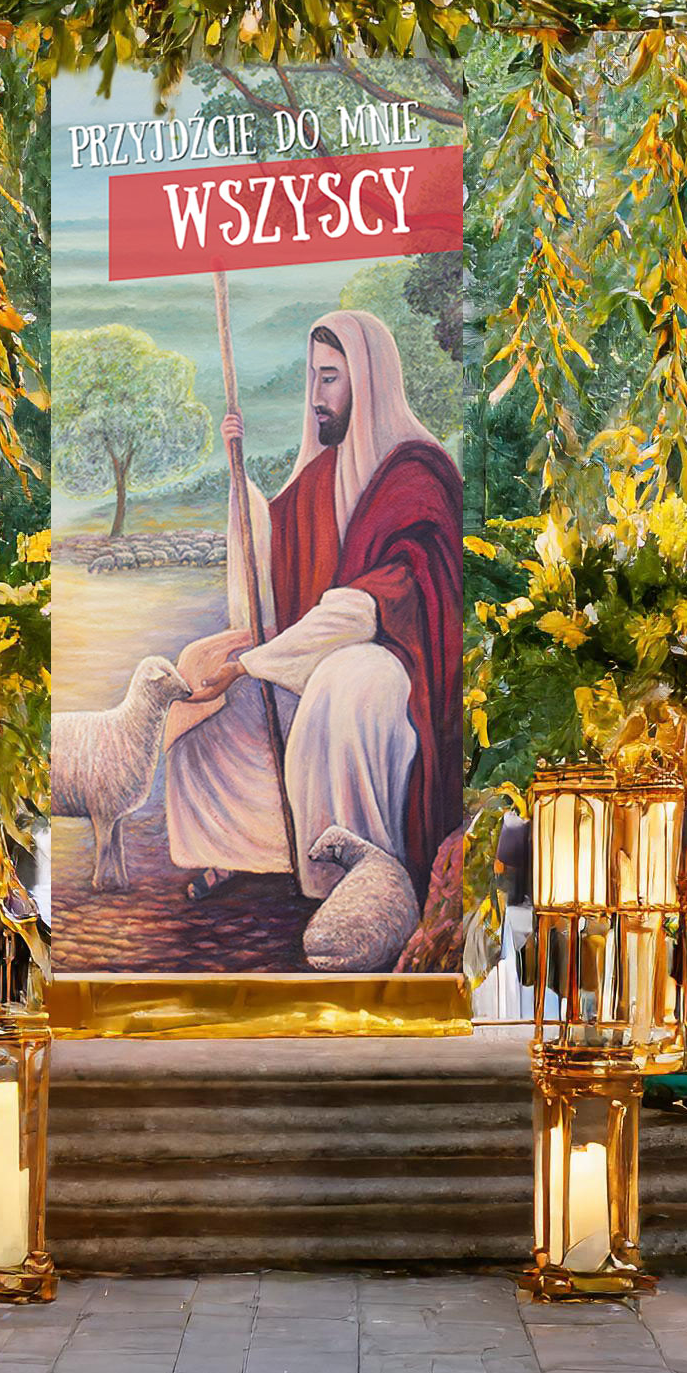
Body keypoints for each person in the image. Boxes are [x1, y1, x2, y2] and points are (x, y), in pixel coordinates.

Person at [163, 310, 464, 925]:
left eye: (330, 378)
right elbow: (267, 572)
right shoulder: (323, 475)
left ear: (368, 381)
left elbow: (368, 605)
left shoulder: (417, 475)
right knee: (202, 664)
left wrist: (253, 663)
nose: (315, 397)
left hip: (399, 664)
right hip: (320, 645)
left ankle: (356, 881)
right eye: (311, 378)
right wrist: (239, 481)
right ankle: (247, 849)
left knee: (342, 684)